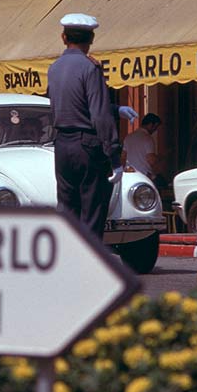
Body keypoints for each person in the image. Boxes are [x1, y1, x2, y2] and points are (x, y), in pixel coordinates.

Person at [46, 13, 137, 238]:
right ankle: (89, 266)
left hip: (62, 145)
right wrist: (114, 156)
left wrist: (114, 109)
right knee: (93, 211)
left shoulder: (54, 68)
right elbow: (98, 115)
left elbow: (70, 104)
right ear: (92, 39)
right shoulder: (90, 68)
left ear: (63, 37)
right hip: (87, 146)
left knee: (67, 211)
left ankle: (68, 263)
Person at [122, 113, 161, 180]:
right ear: (151, 124)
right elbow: (151, 160)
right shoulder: (147, 138)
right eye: (155, 127)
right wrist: (161, 157)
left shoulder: (128, 137)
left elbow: (123, 157)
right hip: (144, 176)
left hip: (130, 175)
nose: (155, 130)